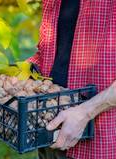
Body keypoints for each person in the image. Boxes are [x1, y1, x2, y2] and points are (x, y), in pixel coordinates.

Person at [27, 0, 116, 158]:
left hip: (97, 140)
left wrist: (85, 113)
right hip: (47, 130)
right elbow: (48, 53)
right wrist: (20, 75)